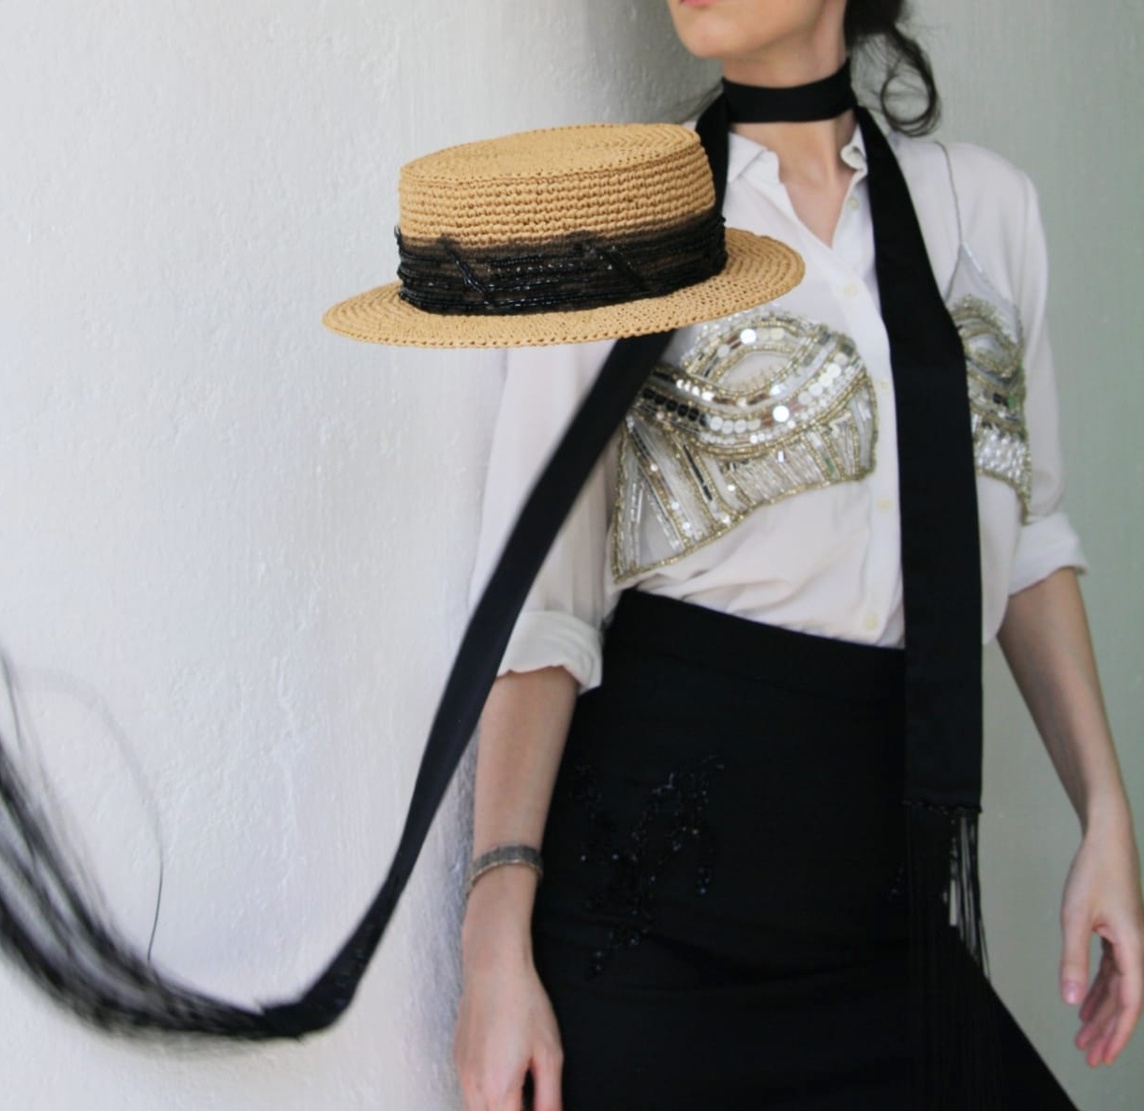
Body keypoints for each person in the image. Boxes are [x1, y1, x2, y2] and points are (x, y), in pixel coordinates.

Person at [453, 3, 1144, 1110]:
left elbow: (1028, 540)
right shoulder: (613, 223)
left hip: (886, 926)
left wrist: (1104, 811)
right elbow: (542, 610)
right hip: (654, 945)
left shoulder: (987, 211)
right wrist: (495, 933)